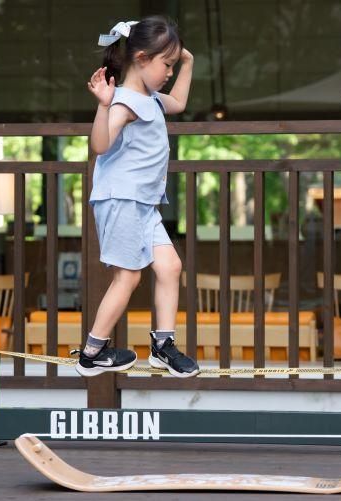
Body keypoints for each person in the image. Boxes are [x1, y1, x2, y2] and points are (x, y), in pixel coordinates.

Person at [77, 17, 199, 377]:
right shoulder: (124, 103)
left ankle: (162, 347)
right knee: (128, 278)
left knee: (170, 266)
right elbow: (100, 146)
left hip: (143, 205)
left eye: (173, 66)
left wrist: (187, 62)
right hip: (122, 201)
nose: (169, 73)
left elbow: (179, 102)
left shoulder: (151, 99)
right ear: (142, 58)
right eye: (167, 65)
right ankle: (92, 353)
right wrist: (103, 106)